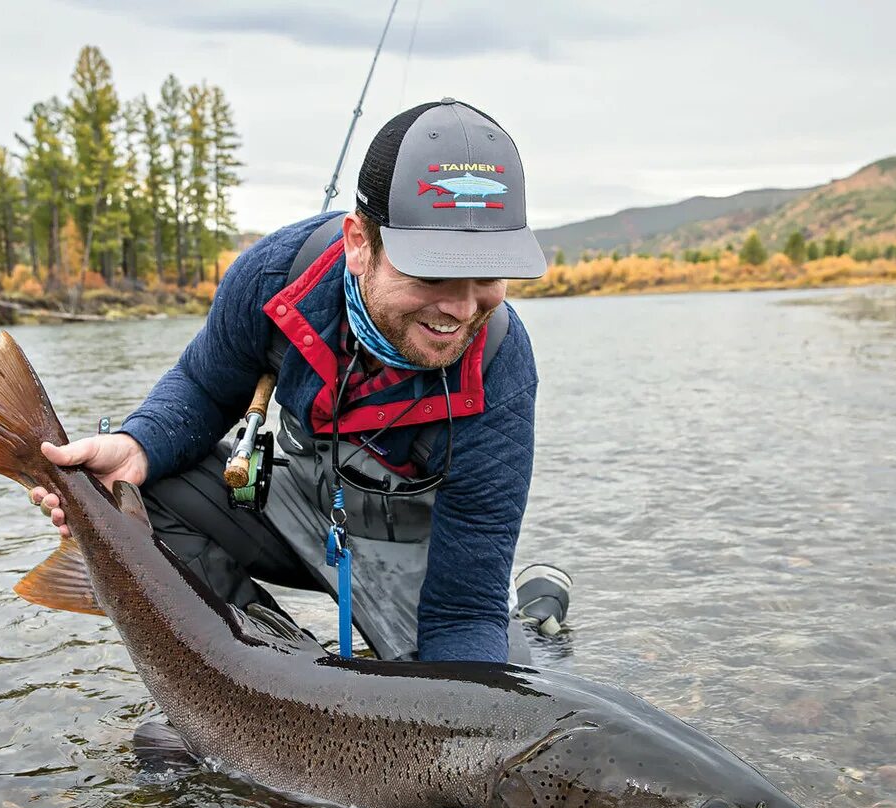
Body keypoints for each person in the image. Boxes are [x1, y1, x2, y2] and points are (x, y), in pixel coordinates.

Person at [30, 98, 570, 664]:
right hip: (303, 504)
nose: (461, 308)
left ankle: (534, 617)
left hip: (419, 551)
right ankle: (262, 672)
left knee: (495, 683)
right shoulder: (274, 276)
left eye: (487, 275)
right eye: (433, 270)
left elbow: (461, 609)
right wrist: (136, 445)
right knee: (138, 492)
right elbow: (206, 389)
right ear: (360, 243)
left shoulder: (501, 365)